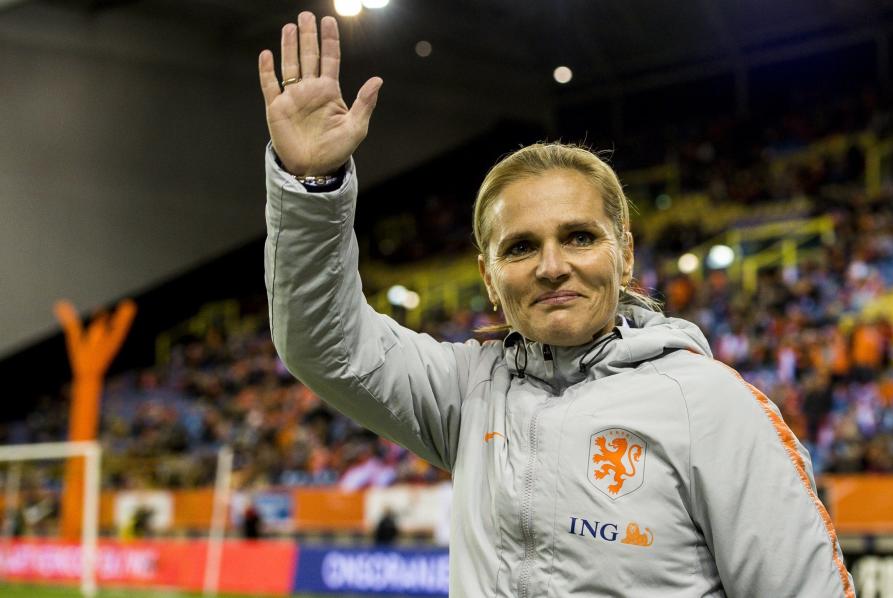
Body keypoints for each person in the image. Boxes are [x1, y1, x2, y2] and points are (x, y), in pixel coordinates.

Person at [259, 12, 856, 597]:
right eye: (521, 247)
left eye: (578, 236)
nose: (551, 266)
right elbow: (324, 342)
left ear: (623, 255)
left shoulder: (713, 407)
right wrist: (313, 185)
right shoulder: (467, 395)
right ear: (489, 279)